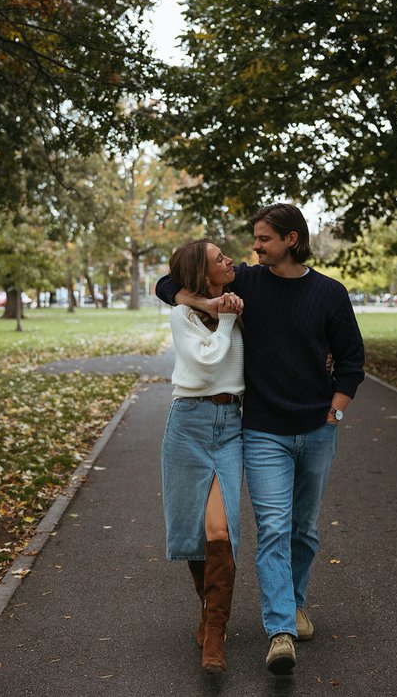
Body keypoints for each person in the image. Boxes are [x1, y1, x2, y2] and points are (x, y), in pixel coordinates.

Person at [157, 204, 365, 675]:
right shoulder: (247, 283)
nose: (253, 247)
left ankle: (294, 603)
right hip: (263, 430)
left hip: (316, 428)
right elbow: (167, 284)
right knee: (272, 528)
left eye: (263, 239)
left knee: (303, 530)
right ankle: (280, 631)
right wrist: (208, 304)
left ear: (292, 240)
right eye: (254, 239)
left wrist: (334, 412)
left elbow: (352, 360)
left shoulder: (330, 294)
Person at [160, 239, 244, 674]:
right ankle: (210, 615)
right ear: (202, 275)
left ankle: (215, 632)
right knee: (194, 531)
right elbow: (206, 361)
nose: (230, 261)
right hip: (188, 423)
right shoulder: (183, 314)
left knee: (219, 528)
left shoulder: (240, 301)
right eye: (220, 260)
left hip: (231, 425)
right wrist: (224, 320)